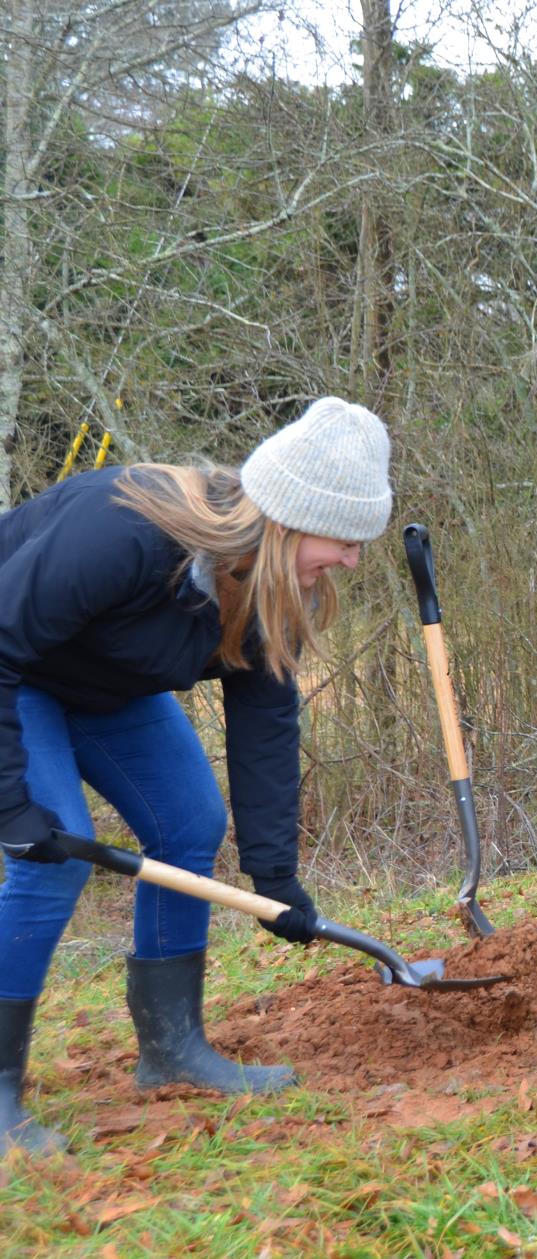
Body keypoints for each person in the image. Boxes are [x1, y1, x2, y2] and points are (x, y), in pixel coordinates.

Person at [0, 398, 393, 1155]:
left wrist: (273, 877)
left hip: (101, 683)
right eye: (343, 540)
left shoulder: (276, 587)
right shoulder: (126, 532)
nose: (350, 559)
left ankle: (172, 1048)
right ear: (288, 519)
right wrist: (11, 800)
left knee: (188, 822)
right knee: (54, 850)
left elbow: (267, 719)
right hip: (16, 672)